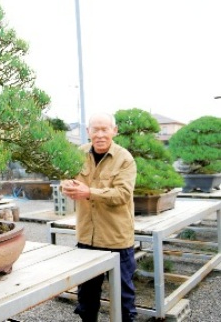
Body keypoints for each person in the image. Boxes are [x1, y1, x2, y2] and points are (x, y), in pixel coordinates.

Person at [61, 112, 137, 322]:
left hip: (116, 238)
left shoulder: (124, 158)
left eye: (105, 129)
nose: (100, 134)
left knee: (123, 297)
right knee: (86, 296)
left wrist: (89, 192)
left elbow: (123, 194)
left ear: (114, 131)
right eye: (96, 129)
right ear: (88, 132)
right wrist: (65, 186)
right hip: (87, 237)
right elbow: (65, 178)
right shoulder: (79, 153)